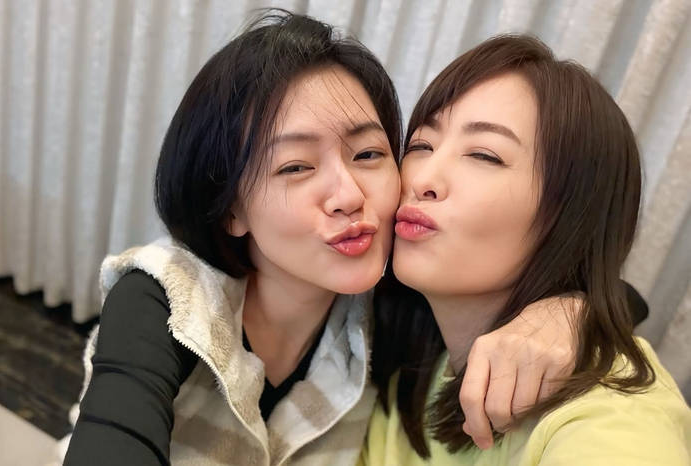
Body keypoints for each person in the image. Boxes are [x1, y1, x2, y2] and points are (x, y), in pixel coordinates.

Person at [62, 12, 643, 466]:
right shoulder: (164, 300)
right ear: (231, 208)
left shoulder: (391, 313)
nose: (347, 194)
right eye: (295, 166)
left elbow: (602, 281)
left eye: (368, 154)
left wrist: (563, 313)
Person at [362, 34, 691, 465]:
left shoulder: (611, 420)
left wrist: (575, 311)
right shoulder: (408, 370)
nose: (423, 179)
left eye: (484, 155)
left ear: (571, 213)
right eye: (421, 145)